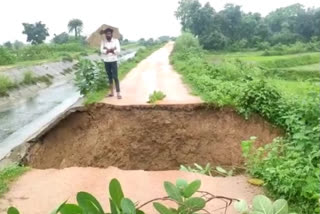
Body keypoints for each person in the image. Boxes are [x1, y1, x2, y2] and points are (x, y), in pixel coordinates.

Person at [100, 28, 121, 99]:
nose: (108, 35)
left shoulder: (116, 41)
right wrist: (112, 49)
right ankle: (111, 92)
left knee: (115, 77)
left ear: (111, 34)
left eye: (109, 33)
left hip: (114, 60)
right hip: (106, 61)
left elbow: (118, 51)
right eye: (106, 34)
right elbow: (101, 50)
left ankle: (118, 93)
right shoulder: (103, 41)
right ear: (105, 34)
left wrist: (109, 50)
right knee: (109, 77)